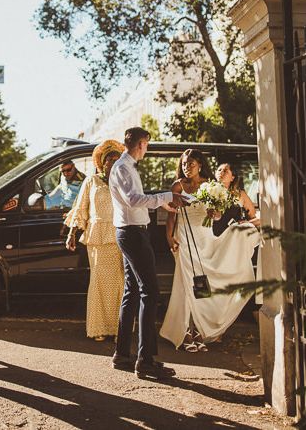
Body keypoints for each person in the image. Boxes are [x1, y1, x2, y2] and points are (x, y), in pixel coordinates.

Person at [160, 149, 260, 352]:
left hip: (205, 238)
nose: (187, 167)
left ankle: (198, 329)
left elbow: (216, 215)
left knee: (201, 286)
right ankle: (184, 331)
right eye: (185, 164)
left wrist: (215, 214)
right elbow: (172, 215)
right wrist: (169, 237)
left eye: (191, 164)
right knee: (187, 283)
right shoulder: (178, 185)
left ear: (199, 164)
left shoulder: (209, 185)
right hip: (184, 237)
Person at [110, 126, 181, 380]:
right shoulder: (123, 168)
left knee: (133, 290)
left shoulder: (125, 167)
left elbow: (137, 200)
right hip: (132, 234)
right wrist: (165, 196)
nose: (147, 149)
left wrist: (164, 202)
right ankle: (145, 359)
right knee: (150, 291)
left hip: (131, 231)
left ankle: (122, 354)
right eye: (147, 145)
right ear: (140, 144)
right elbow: (134, 200)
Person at [65, 139, 125, 341]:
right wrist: (72, 233)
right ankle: (98, 328)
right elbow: (81, 208)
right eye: (110, 160)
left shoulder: (125, 181)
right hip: (97, 237)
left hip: (119, 236)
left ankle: (119, 329)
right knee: (99, 282)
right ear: (102, 162)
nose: (114, 163)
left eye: (118, 160)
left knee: (120, 282)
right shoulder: (91, 181)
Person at [211, 162, 259, 237]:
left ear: (232, 177)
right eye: (219, 170)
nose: (221, 172)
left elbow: (254, 218)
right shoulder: (209, 192)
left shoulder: (240, 194)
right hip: (213, 235)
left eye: (225, 171)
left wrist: (246, 224)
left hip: (234, 237)